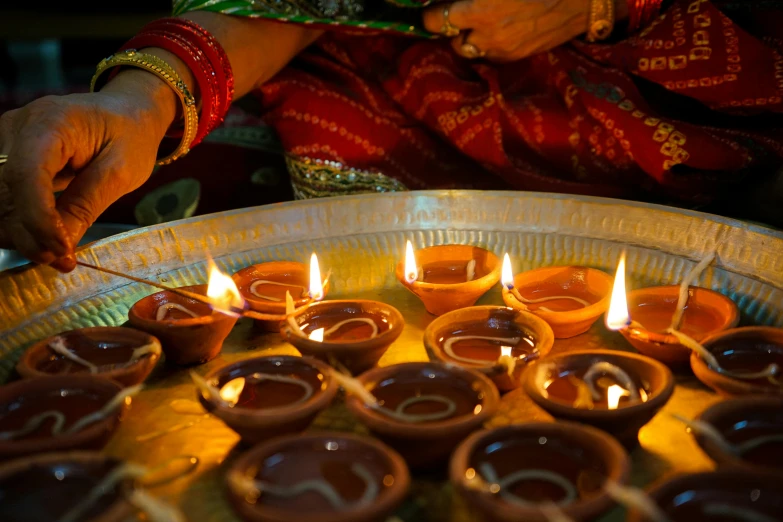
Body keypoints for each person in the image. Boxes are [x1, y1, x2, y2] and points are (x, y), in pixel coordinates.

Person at [0, 0, 780, 272]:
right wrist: (145, 101)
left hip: (698, 129)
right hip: (380, 100)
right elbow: (295, 2)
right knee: (134, 214)